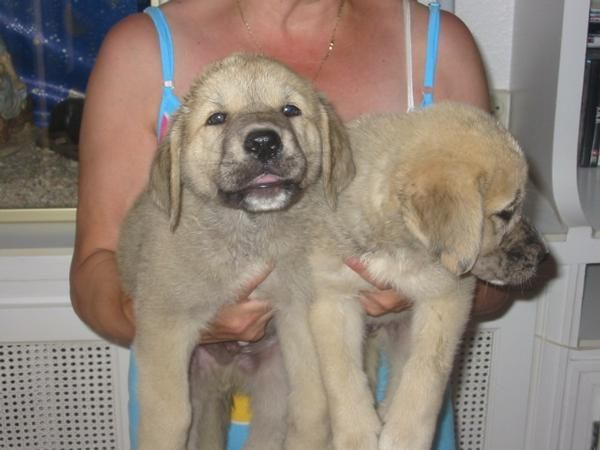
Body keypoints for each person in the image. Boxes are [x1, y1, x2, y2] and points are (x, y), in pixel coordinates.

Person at [69, 0, 512, 448]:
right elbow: (96, 270)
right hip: (190, 401)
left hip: (389, 417)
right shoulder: (141, 50)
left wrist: (431, 281)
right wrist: (188, 318)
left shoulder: (438, 45)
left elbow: (495, 271)